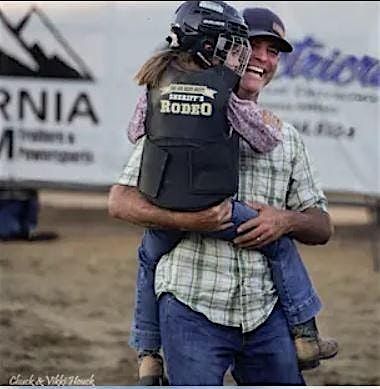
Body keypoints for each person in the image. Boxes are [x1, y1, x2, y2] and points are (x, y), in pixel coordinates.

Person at [109, 4, 337, 385]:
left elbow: (322, 227)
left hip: (266, 315)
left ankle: (147, 355)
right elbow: (119, 200)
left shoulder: (288, 139)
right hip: (190, 308)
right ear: (226, 49)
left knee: (149, 254)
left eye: (274, 51)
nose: (262, 58)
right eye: (252, 46)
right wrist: (189, 220)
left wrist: (284, 220)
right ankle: (305, 332)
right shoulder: (193, 108)